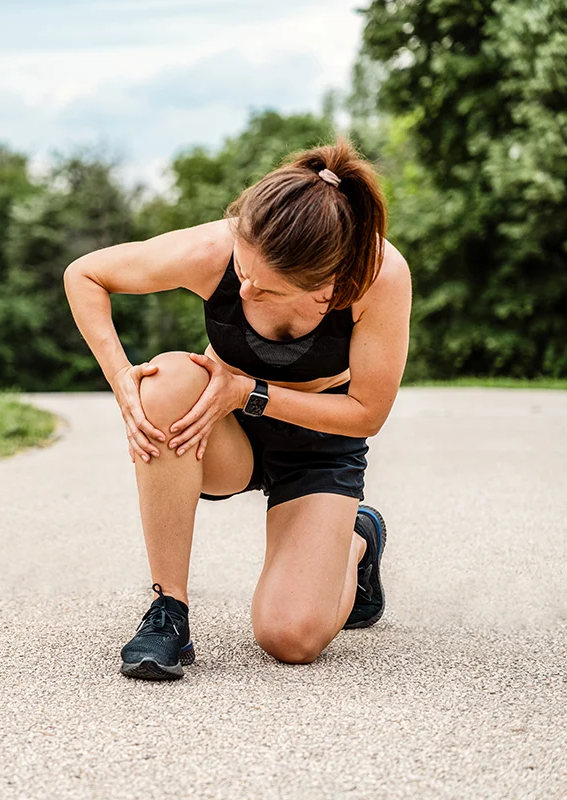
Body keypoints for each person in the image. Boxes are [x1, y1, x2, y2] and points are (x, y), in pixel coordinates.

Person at [62, 137, 412, 680]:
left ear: (326, 287)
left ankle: (356, 540)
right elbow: (85, 274)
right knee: (166, 381)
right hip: (225, 433)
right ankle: (168, 611)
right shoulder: (217, 248)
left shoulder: (378, 276)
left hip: (317, 445)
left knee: (290, 638)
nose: (243, 288)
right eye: (241, 271)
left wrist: (251, 391)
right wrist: (122, 384)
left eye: (265, 289)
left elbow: (367, 413)